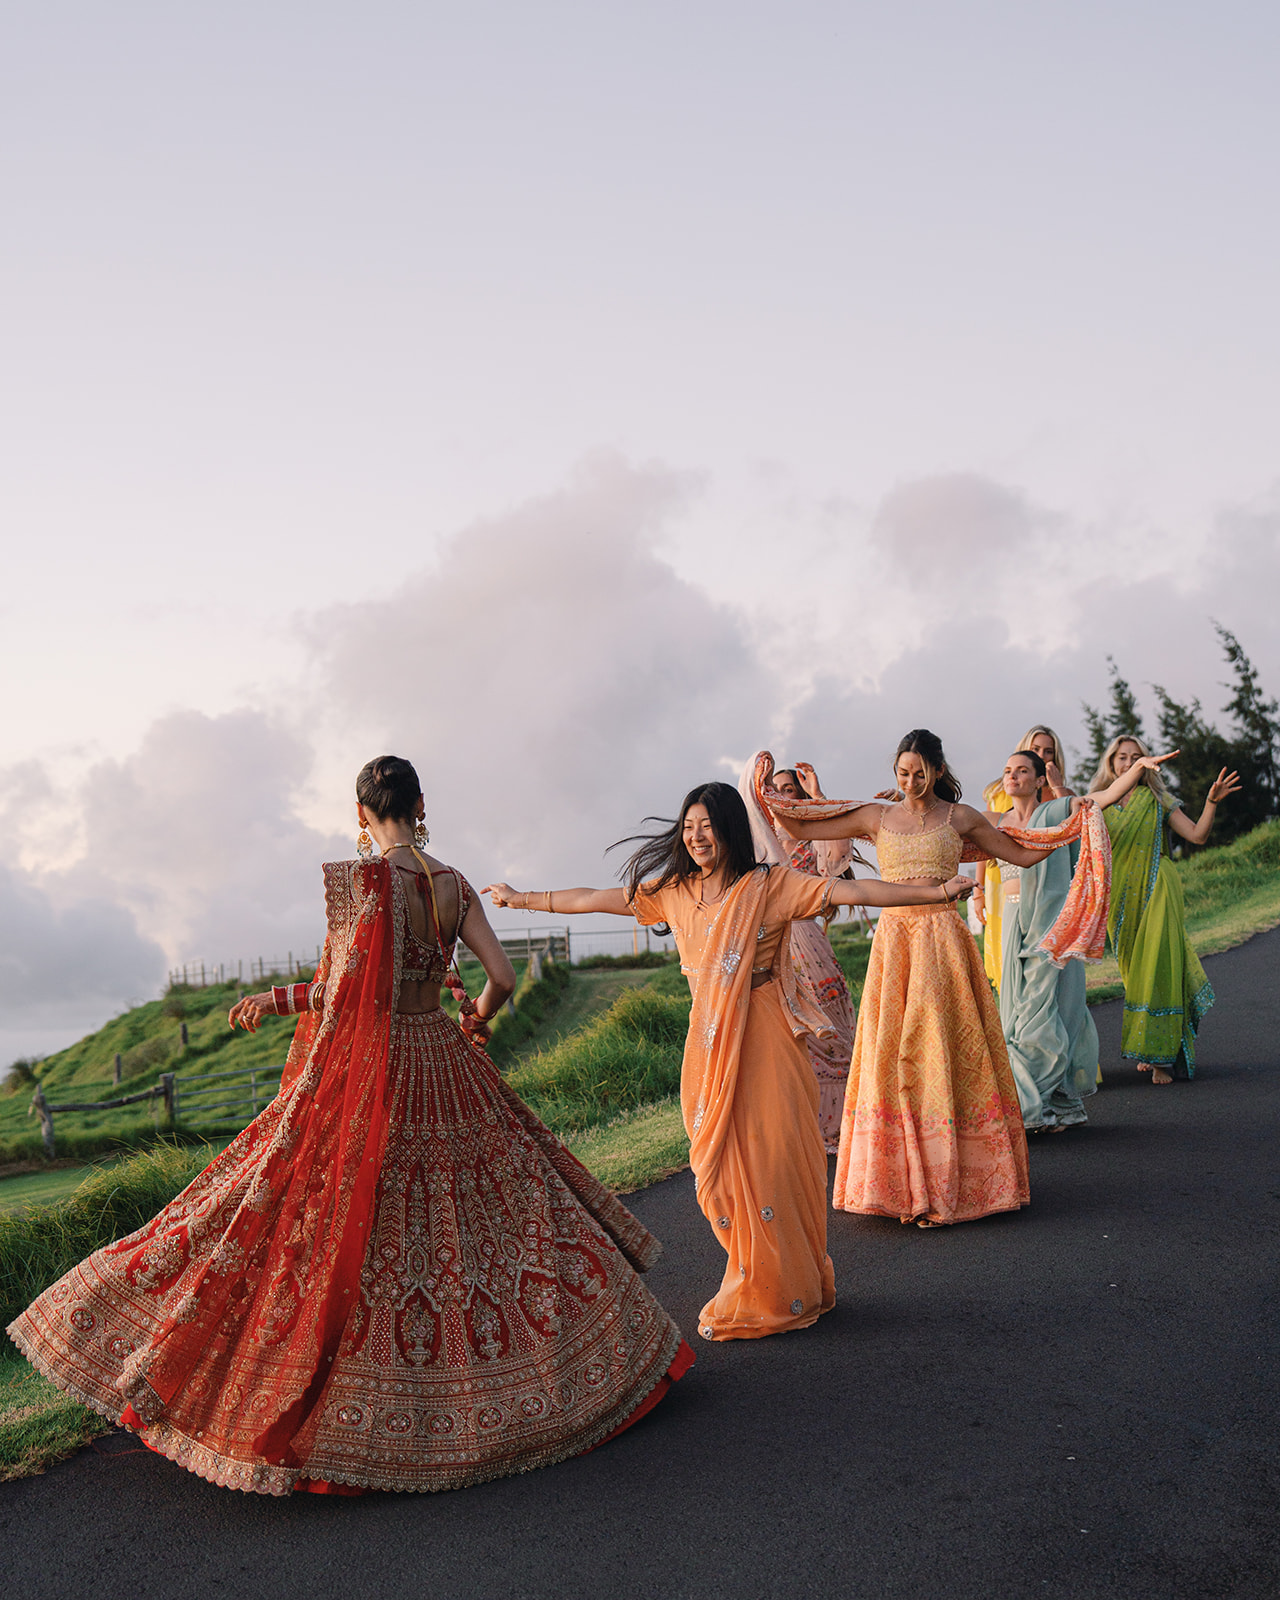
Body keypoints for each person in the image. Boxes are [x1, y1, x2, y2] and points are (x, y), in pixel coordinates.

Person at [9, 757, 693, 1495]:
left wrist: (276, 1000)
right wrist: (476, 1027)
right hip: (443, 1055)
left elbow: (343, 990)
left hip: (383, 1073)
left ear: (360, 813)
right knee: (492, 1214)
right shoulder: (455, 884)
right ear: (422, 805)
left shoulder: (363, 885)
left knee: (344, 1218)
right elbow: (498, 978)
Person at [484, 781, 975, 1341]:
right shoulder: (673, 890)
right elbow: (596, 898)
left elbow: (851, 893)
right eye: (689, 827)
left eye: (708, 827)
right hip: (709, 1043)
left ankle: (786, 1286)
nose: (696, 837)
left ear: (730, 831)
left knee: (774, 1155)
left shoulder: (768, 885)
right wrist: (523, 899)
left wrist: (935, 893)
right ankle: (758, 1270)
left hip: (766, 1034)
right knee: (717, 1165)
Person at [766, 729, 1115, 1227]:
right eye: (903, 773)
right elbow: (803, 830)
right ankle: (900, 1183)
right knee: (894, 1056)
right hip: (894, 945)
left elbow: (1022, 853)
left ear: (938, 770)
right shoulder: (877, 815)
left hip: (944, 944)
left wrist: (1079, 824)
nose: (910, 782)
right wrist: (768, 790)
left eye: (920, 773)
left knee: (939, 1053)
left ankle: (955, 1179)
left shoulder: (961, 817)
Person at [990, 744, 1177, 1131]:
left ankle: (1030, 1106)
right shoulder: (996, 821)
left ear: (1040, 780)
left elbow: (1102, 798)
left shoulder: (1056, 811)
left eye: (1023, 771)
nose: (1013, 776)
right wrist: (906, 800)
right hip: (1012, 924)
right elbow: (945, 820)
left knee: (1044, 1012)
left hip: (1053, 925)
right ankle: (1062, 1106)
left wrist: (1138, 768)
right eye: (1009, 770)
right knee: (1016, 1011)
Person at [1092, 735, 1241, 1084]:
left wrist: (1211, 802)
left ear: (1150, 761)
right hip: (1120, 899)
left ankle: (1162, 1059)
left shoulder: (1159, 799)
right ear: (1111, 762)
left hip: (1158, 886)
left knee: (1159, 968)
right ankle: (1152, 1046)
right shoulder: (1099, 804)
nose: (1128, 763)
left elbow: (1197, 836)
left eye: (1136, 757)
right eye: (1122, 757)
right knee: (1135, 975)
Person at [739, 754, 857, 1153]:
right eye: (772, 788)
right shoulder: (753, 846)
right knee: (786, 1036)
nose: (779, 796)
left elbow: (836, 865)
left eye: (788, 790)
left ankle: (838, 1126)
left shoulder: (811, 842)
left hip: (809, 945)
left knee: (831, 1034)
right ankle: (796, 1126)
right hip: (769, 946)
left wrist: (819, 798)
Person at [974, 725, 1074, 994]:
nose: (1041, 754)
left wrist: (1058, 785)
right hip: (1004, 879)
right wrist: (978, 888)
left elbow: (1077, 824)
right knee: (1008, 954)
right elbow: (982, 839)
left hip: (1048, 888)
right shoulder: (1000, 793)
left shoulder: (1058, 795)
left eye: (1048, 751)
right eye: (1036, 749)